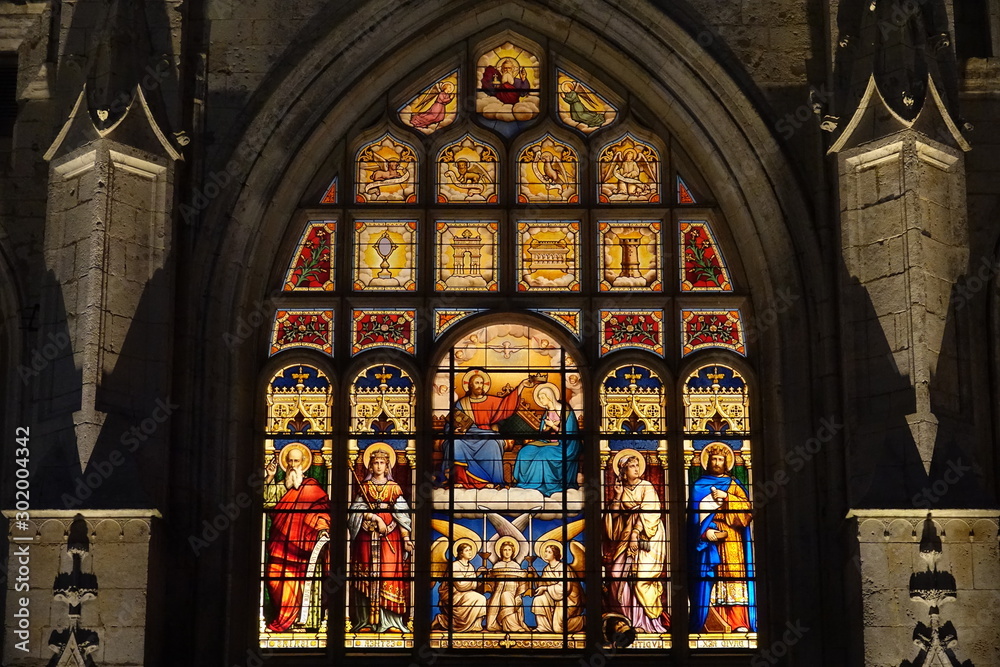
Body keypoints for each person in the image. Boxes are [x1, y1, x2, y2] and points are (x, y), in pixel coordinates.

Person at [262, 442, 330, 632]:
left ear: (304, 464)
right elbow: (264, 500)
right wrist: (268, 476)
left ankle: (299, 621)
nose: (292, 465)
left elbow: (324, 512)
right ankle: (281, 618)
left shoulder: (312, 487)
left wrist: (322, 528)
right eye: (289, 461)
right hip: (279, 546)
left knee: (298, 581)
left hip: (304, 550)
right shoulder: (280, 488)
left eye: (296, 461)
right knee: (274, 578)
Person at [688, 443, 755, 633]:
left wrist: (726, 496)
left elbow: (747, 510)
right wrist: (705, 530)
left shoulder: (733, 484)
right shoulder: (698, 485)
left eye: (720, 460)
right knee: (711, 575)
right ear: (707, 462)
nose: (717, 463)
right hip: (708, 538)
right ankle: (713, 619)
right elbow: (693, 517)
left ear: (726, 463)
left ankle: (737, 621)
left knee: (733, 574)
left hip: (732, 536)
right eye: (714, 459)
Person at [348, 443, 414, 634]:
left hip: (391, 537)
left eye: (382, 463)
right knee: (366, 575)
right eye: (375, 462)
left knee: (388, 574)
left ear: (388, 466)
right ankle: (366, 621)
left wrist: (406, 537)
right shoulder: (365, 487)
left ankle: (391, 622)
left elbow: (402, 514)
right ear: (370, 466)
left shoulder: (394, 488)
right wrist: (372, 516)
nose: (378, 466)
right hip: (365, 536)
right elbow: (355, 511)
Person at [603, 450, 670, 633]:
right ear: (623, 471)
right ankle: (628, 621)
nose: (636, 468)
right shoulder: (622, 489)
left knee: (642, 579)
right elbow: (614, 517)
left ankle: (648, 623)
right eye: (631, 466)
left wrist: (636, 533)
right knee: (617, 575)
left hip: (650, 535)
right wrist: (617, 496)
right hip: (626, 536)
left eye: (636, 465)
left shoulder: (647, 486)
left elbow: (650, 512)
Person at [441, 370, 533, 488]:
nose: (480, 385)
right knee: (455, 443)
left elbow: (506, 406)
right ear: (469, 385)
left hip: (485, 435)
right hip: (466, 436)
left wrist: (521, 386)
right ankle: (460, 480)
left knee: (493, 444)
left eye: (481, 383)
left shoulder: (492, 401)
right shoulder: (461, 403)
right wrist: (454, 431)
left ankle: (491, 482)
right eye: (477, 383)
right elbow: (450, 423)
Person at [512, 383, 580, 496]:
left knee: (543, 454)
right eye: (539, 398)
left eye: (542, 397)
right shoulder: (547, 411)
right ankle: (524, 483)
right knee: (525, 451)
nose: (540, 400)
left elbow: (568, 433)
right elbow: (543, 433)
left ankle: (539, 486)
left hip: (565, 445)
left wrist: (553, 426)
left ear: (549, 397)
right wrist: (546, 427)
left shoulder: (565, 411)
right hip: (548, 442)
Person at [431, 539, 487, 631]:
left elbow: (473, 585)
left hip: (465, 593)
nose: (470, 552)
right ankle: (442, 620)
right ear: (461, 553)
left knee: (481, 598)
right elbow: (460, 585)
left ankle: (475, 625)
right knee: (480, 598)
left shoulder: (470, 566)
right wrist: (475, 575)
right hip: (453, 595)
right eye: (467, 550)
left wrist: (477, 575)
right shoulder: (455, 565)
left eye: (470, 550)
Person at [531, 542, 584, 633]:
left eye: (549, 552)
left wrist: (546, 588)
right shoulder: (546, 569)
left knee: (558, 629)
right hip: (554, 598)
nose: (545, 553)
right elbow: (543, 585)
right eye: (545, 551)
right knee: (539, 599)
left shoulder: (563, 567)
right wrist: (535, 575)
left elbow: (564, 588)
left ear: (555, 554)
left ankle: (583, 621)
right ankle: (542, 627)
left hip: (568, 600)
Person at [484, 536, 531, 632]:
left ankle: (513, 626)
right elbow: (491, 583)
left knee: (506, 596)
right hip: (498, 591)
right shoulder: (497, 565)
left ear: (513, 552)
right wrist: (489, 574)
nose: (507, 552)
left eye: (509, 550)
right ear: (501, 551)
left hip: (512, 591)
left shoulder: (516, 566)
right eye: (505, 550)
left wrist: (518, 594)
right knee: (499, 598)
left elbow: (521, 583)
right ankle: (503, 625)